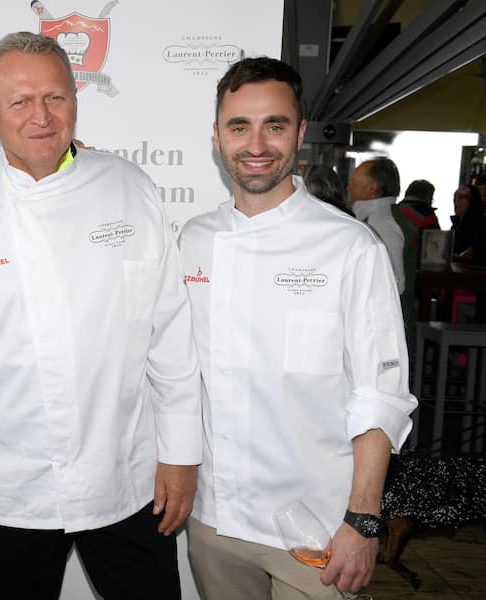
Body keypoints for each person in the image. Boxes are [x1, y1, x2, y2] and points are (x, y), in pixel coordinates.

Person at [0, 32, 202, 600]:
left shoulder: (130, 189)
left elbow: (170, 335)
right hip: (10, 490)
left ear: (75, 101)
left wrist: (182, 454)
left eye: (55, 97)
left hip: (127, 476)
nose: (41, 116)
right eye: (19, 102)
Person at [178, 57, 417, 599]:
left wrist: (363, 520)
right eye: (239, 126)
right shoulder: (193, 240)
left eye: (275, 125)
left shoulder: (350, 246)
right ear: (217, 137)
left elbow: (381, 395)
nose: (256, 144)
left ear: (300, 133)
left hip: (319, 528)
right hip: (215, 521)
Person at [348, 157, 405, 293]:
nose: (349, 188)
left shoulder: (380, 223)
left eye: (354, 182)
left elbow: (395, 284)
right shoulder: (384, 217)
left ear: (372, 188)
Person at [393, 179, 441, 329]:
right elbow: (436, 251)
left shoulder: (394, 211)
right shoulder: (428, 216)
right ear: (428, 196)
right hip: (417, 275)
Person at [450, 183, 486, 265]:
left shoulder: (481, 224)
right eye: (454, 198)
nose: (455, 201)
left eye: (461, 197)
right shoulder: (455, 225)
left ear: (472, 201)